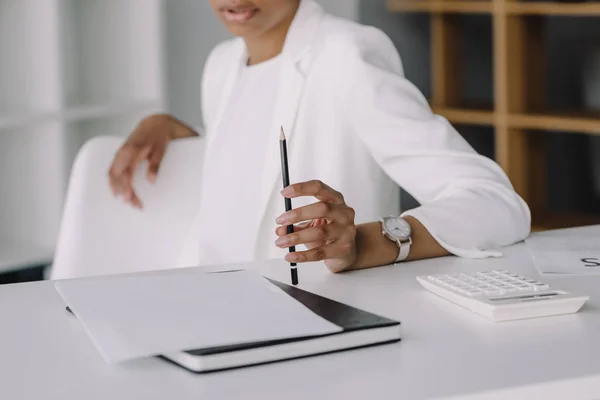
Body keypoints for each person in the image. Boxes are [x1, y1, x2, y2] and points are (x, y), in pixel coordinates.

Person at [108, 0, 531, 274]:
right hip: (206, 306)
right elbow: (248, 176)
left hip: (311, 324)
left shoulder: (347, 55)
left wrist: (368, 242)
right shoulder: (222, 63)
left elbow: (497, 204)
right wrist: (175, 129)